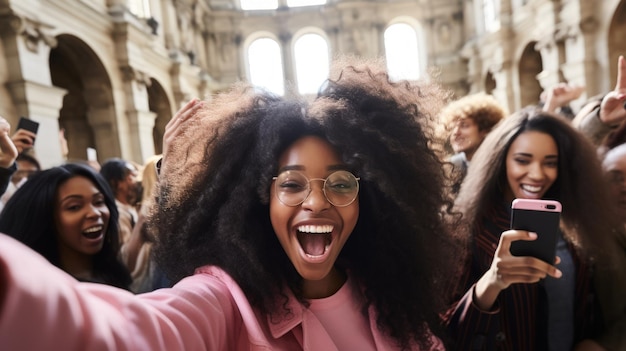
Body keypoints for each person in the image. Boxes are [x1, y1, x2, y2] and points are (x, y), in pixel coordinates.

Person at [0, 58, 458, 350]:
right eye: (292, 185)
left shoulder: (390, 293)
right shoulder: (224, 302)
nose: (316, 202)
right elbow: (119, 333)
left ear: (370, 199)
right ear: (259, 198)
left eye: (341, 184)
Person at [445, 107, 626, 350]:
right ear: (500, 162)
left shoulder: (576, 224)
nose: (538, 174)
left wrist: (597, 343)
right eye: (523, 160)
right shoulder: (465, 229)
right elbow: (444, 328)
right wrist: (492, 282)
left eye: (550, 163)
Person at [0, 163, 131, 289]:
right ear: (47, 218)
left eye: (98, 202)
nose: (94, 213)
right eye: (74, 207)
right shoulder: (39, 292)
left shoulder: (115, 274)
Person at [439, 92, 507, 193]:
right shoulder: (449, 167)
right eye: (452, 127)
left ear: (485, 130)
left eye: (464, 125)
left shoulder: (501, 166)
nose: (456, 132)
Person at [99, 157, 140, 245]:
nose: (136, 180)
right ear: (117, 183)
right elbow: (127, 253)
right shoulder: (118, 213)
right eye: (131, 175)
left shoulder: (129, 207)